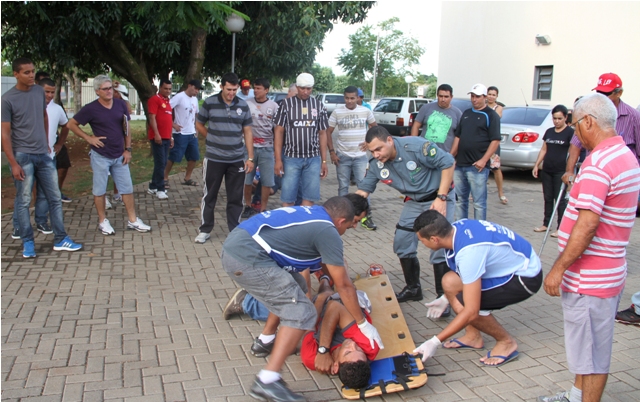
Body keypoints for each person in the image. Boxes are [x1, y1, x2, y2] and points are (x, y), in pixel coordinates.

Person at [221, 196, 383, 402]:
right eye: (348, 228)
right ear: (341, 221)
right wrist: (363, 324)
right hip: (246, 256)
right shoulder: (327, 230)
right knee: (301, 312)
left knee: (295, 289)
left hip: (242, 246)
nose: (346, 232)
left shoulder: (313, 213)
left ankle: (266, 340)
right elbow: (343, 285)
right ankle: (267, 381)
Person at [540, 93, 640, 402]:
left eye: (573, 124)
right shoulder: (624, 155)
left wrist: (557, 270)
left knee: (594, 355)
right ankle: (575, 394)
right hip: (607, 272)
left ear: (588, 122)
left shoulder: (599, 163)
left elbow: (587, 226)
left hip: (591, 280)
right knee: (588, 349)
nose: (573, 132)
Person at [412, 210, 542, 367]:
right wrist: (446, 297)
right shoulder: (457, 228)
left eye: (422, 240)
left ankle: (506, 342)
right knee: (449, 282)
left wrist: (434, 341)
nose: (422, 244)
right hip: (515, 264)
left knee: (466, 304)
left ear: (434, 239)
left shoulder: (469, 253)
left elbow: (471, 312)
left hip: (525, 278)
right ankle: (473, 337)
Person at [356, 126, 455, 304]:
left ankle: (444, 297)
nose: (376, 155)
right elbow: (363, 191)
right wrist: (344, 211)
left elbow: (448, 162)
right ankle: (413, 288)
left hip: (438, 196)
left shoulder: (416, 147)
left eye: (379, 149)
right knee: (402, 241)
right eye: (372, 151)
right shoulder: (375, 165)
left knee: (439, 244)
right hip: (414, 201)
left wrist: (442, 197)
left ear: (390, 140)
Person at [1, 57, 82, 257]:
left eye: (32, 71)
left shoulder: (38, 92)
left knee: (54, 197)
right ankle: (28, 242)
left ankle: (61, 238)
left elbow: (44, 115)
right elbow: (4, 133)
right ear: (16, 74)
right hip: (23, 156)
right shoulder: (7, 99)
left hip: (43, 154)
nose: (31, 75)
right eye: (26, 72)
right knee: (24, 199)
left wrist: (47, 142)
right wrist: (13, 163)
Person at [67, 75, 151, 235]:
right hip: (100, 155)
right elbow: (71, 124)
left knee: (126, 188)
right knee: (100, 190)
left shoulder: (120, 105)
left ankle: (133, 220)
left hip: (120, 155)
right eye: (105, 89)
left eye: (110, 88)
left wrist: (128, 149)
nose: (109, 91)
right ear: (97, 91)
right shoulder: (91, 108)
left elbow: (126, 128)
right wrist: (89, 138)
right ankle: (102, 221)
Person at [194, 72, 254, 243]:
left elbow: (248, 131)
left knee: (235, 197)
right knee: (209, 195)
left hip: (236, 158)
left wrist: (250, 157)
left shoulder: (242, 105)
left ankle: (235, 230)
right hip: (214, 158)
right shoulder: (210, 102)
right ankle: (205, 229)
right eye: (228, 89)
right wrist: (211, 137)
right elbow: (199, 123)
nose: (231, 93)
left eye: (235, 90)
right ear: (221, 86)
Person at [11, 78, 70, 238]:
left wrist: (59, 144)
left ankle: (42, 220)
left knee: (47, 193)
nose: (50, 95)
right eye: (47, 91)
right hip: (26, 156)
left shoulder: (57, 109)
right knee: (24, 194)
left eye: (52, 92)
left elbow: (66, 125)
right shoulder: (26, 104)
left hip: (48, 157)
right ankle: (18, 226)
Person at [563, 73, 640, 189]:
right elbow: (576, 144)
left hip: (621, 180)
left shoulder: (634, 116)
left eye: (606, 94)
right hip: (594, 175)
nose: (602, 97)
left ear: (619, 93)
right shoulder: (589, 113)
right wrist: (569, 171)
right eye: (599, 93)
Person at [300, 279, 380, 389]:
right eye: (359, 349)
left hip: (322, 309)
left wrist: (321, 298)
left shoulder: (311, 358)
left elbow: (309, 326)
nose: (352, 344)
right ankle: (339, 272)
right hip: (353, 306)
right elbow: (335, 307)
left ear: (335, 366)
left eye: (347, 352)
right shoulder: (369, 345)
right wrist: (324, 350)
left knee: (316, 294)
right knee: (346, 286)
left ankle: (324, 279)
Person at [274, 73, 329, 207]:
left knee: (309, 198)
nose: (305, 92)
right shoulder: (286, 105)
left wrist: (324, 161)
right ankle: (288, 225)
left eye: (309, 89)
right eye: (302, 88)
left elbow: (323, 134)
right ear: (297, 87)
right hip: (291, 158)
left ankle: (304, 226)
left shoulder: (318, 105)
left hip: (313, 159)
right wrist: (278, 160)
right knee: (288, 198)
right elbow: (279, 132)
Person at [327, 86, 378, 230]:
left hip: (361, 156)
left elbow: (375, 128)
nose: (349, 101)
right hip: (342, 156)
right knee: (343, 187)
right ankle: (342, 217)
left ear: (358, 98)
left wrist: (369, 144)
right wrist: (332, 152)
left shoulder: (365, 111)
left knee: (364, 186)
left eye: (352, 98)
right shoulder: (337, 112)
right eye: (347, 98)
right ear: (344, 98)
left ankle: (366, 218)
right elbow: (327, 132)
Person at [450, 83, 501, 221]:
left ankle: (480, 231)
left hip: (477, 166)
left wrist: (484, 160)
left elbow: (495, 140)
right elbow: (458, 137)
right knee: (460, 201)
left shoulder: (491, 115)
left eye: (477, 96)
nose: (474, 99)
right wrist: (451, 156)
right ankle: (462, 227)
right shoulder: (466, 113)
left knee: (479, 203)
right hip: (460, 164)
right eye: (472, 96)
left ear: (485, 97)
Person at [532, 105, 573, 238]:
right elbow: (544, 149)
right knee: (548, 197)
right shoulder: (549, 132)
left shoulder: (570, 133)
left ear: (566, 118)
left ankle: (561, 227)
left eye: (560, 118)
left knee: (560, 200)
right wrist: (537, 165)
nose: (557, 121)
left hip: (560, 171)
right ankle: (546, 224)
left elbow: (573, 152)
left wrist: (570, 171)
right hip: (547, 170)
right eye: (554, 118)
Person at [242, 78, 279, 218]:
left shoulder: (274, 106)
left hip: (267, 148)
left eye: (259, 88)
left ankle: (263, 208)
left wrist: (276, 152)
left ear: (266, 90)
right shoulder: (247, 104)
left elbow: (277, 131)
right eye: (255, 88)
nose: (256, 91)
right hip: (249, 148)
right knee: (246, 178)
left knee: (267, 180)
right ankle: (247, 205)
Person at [165, 79, 203, 187]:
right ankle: (164, 177)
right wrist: (173, 125)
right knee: (174, 156)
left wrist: (197, 129)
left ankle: (188, 177)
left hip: (191, 133)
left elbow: (196, 115)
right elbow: (167, 111)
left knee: (194, 156)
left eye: (198, 90)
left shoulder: (195, 100)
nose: (196, 91)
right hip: (180, 133)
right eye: (195, 88)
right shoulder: (179, 97)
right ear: (189, 86)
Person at [410, 83, 462, 153]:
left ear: (451, 97)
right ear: (437, 96)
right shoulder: (426, 108)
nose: (443, 99)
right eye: (441, 96)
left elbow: (458, 137)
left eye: (446, 97)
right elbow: (416, 126)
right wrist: (414, 145)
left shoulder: (457, 113)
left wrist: (450, 155)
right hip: (424, 152)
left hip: (444, 155)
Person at [147, 79, 173, 200]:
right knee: (161, 163)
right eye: (165, 88)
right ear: (160, 88)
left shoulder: (168, 102)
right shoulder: (155, 100)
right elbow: (152, 117)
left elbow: (169, 120)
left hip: (167, 136)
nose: (167, 91)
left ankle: (153, 186)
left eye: (169, 89)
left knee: (161, 163)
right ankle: (160, 188)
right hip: (158, 137)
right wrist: (156, 134)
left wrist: (171, 136)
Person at [486, 86, 508, 205]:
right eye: (489, 94)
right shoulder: (482, 106)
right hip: (482, 141)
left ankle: (501, 193)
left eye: (493, 95)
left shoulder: (498, 108)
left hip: (493, 141)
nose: (491, 96)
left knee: (495, 168)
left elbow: (494, 117)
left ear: (497, 96)